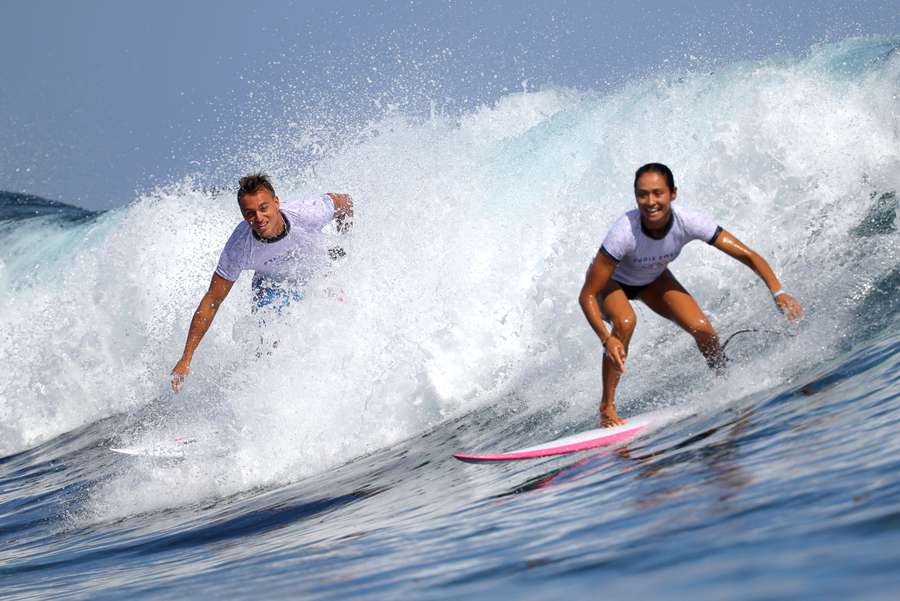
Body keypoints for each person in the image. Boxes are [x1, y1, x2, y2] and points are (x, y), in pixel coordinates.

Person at [579, 163, 802, 427]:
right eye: (642, 194)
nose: (650, 201)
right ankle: (607, 408)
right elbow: (588, 295)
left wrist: (779, 291)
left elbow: (747, 254)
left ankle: (725, 380)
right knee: (625, 322)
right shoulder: (624, 231)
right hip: (611, 283)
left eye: (657, 193)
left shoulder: (688, 222)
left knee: (703, 330)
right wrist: (606, 339)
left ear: (673, 193)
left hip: (652, 279)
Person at [170, 173, 353, 392]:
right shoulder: (239, 247)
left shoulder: (307, 213)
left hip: (317, 275)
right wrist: (186, 358)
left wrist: (345, 241)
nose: (258, 218)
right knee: (270, 345)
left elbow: (344, 201)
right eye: (249, 213)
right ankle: (276, 394)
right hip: (271, 285)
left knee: (336, 322)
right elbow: (212, 300)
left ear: (276, 203)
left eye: (263, 208)